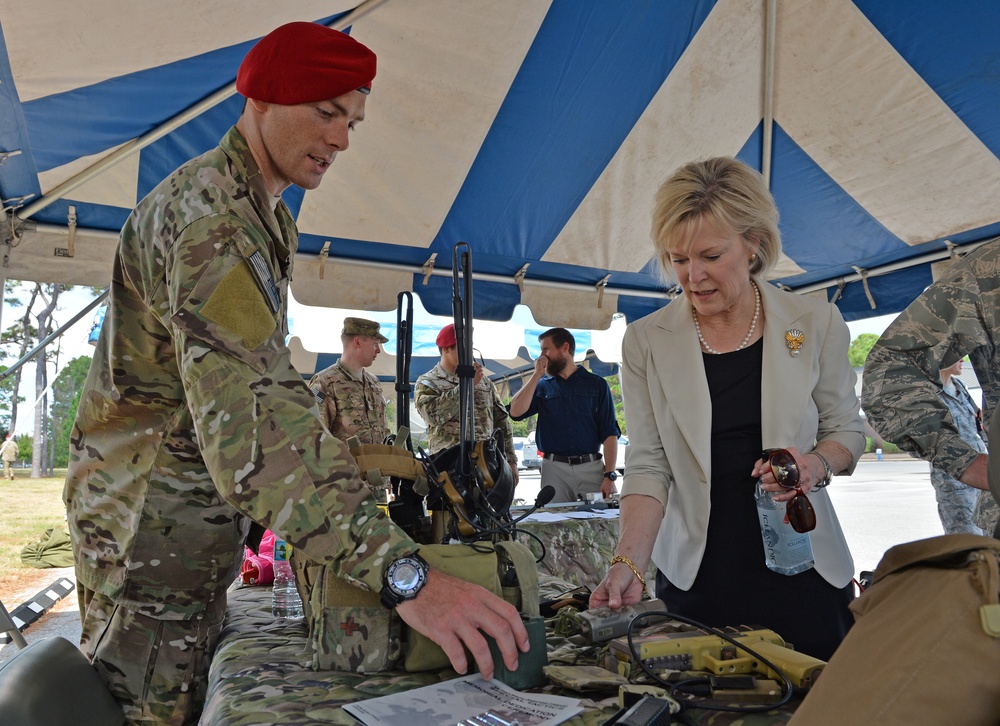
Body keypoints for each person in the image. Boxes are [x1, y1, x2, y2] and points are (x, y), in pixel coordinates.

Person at [62, 22, 528, 724]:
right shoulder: (212, 223)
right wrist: (405, 576)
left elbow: (272, 391)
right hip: (149, 546)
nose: (341, 138)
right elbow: (255, 436)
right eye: (325, 111)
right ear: (263, 100)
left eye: (352, 120)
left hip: (173, 537)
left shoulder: (254, 212)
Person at [589, 157, 865, 662]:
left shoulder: (815, 321)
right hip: (697, 581)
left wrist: (813, 465)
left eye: (711, 255)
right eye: (677, 260)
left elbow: (847, 431)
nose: (692, 277)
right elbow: (649, 464)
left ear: (754, 242)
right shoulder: (646, 341)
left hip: (806, 573)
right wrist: (628, 561)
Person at [862, 239, 999, 535]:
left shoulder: (960, 391)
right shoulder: (989, 266)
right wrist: (964, 461)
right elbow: (890, 369)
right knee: (963, 546)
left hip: (977, 475)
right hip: (959, 486)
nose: (960, 361)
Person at [508, 327, 620, 503]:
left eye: (546, 349)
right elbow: (515, 412)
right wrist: (537, 374)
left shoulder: (597, 385)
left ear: (565, 348)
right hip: (554, 469)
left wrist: (610, 475)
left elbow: (610, 433)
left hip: (591, 467)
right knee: (553, 524)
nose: (541, 356)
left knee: (599, 522)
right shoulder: (542, 385)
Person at [413, 323, 518, 485]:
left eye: (471, 347)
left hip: (486, 464)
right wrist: (466, 387)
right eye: (463, 348)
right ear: (446, 349)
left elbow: (501, 421)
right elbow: (433, 416)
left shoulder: (484, 382)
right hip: (448, 469)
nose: (469, 353)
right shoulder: (428, 382)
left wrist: (511, 460)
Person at [928, 359, 988, 534]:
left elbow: (980, 424)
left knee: (988, 539)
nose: (963, 359)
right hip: (955, 480)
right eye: (957, 354)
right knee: (967, 541)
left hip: (981, 472)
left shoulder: (960, 386)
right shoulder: (928, 394)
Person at [308, 317, 389, 445]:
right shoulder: (324, 382)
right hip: (344, 464)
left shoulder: (373, 382)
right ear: (357, 342)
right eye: (375, 344)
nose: (378, 350)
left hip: (377, 462)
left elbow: (384, 430)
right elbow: (315, 436)